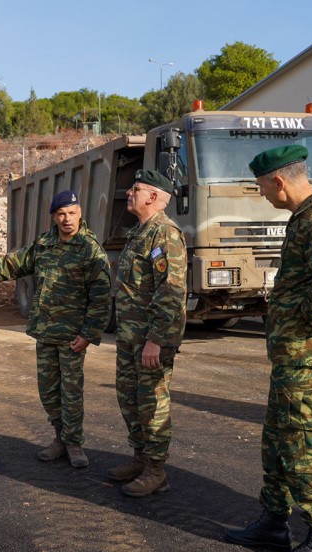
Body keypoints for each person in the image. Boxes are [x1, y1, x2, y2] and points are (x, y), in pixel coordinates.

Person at [226, 145, 312, 552]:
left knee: (304, 446)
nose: (263, 194)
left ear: (279, 182)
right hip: (291, 355)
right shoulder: (303, 220)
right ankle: (274, 522)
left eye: (263, 186)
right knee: (278, 441)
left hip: (307, 355)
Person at [0, 190, 110, 468]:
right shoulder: (44, 245)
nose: (67, 219)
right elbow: (10, 265)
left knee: (71, 391)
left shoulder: (90, 249)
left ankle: (74, 444)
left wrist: (88, 334)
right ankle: (59, 438)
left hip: (73, 336)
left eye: (72, 213)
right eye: (61, 214)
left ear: (80, 213)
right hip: (46, 331)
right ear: (54, 216)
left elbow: (101, 296)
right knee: (48, 390)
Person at [106, 169, 187, 498]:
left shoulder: (165, 234)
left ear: (153, 197)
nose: (129, 193)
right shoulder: (140, 232)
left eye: (136, 189)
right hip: (130, 337)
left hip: (150, 341)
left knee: (152, 404)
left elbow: (171, 292)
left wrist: (155, 340)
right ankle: (140, 458)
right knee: (129, 400)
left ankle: (156, 470)